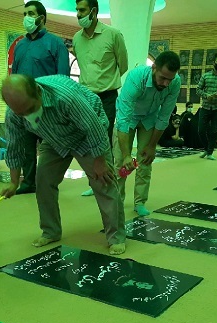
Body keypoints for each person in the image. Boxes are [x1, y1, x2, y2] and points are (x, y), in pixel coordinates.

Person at [0, 74, 126, 255]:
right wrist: (13, 182)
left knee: (103, 182)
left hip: (87, 135)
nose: (27, 115)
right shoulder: (14, 112)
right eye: (21, 113)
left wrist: (100, 161)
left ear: (38, 92)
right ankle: (50, 231)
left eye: (30, 109)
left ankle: (116, 237)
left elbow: (93, 127)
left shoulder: (65, 96)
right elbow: (15, 146)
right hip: (55, 139)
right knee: (43, 182)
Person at [12, 1, 70, 195]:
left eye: (30, 13)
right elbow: (14, 75)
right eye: (24, 14)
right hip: (25, 106)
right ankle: (28, 182)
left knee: (49, 147)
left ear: (41, 18)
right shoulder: (20, 45)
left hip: (47, 105)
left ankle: (49, 182)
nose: (26, 17)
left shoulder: (56, 43)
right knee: (27, 146)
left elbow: (63, 77)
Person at [116, 51, 181, 217]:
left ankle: (140, 202)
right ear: (154, 68)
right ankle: (116, 202)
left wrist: (152, 146)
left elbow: (164, 117)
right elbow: (123, 120)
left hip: (149, 118)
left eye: (169, 79)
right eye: (162, 78)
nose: (166, 83)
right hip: (129, 117)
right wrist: (126, 155)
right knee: (120, 162)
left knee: (145, 160)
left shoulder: (174, 83)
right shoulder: (136, 78)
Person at [73, 0, 128, 197]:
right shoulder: (76, 38)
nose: (78, 14)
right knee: (88, 141)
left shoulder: (113, 34)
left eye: (82, 10)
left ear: (94, 11)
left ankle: (109, 183)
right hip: (85, 97)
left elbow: (123, 65)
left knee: (103, 141)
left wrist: (106, 82)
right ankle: (95, 181)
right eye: (77, 10)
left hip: (107, 97)